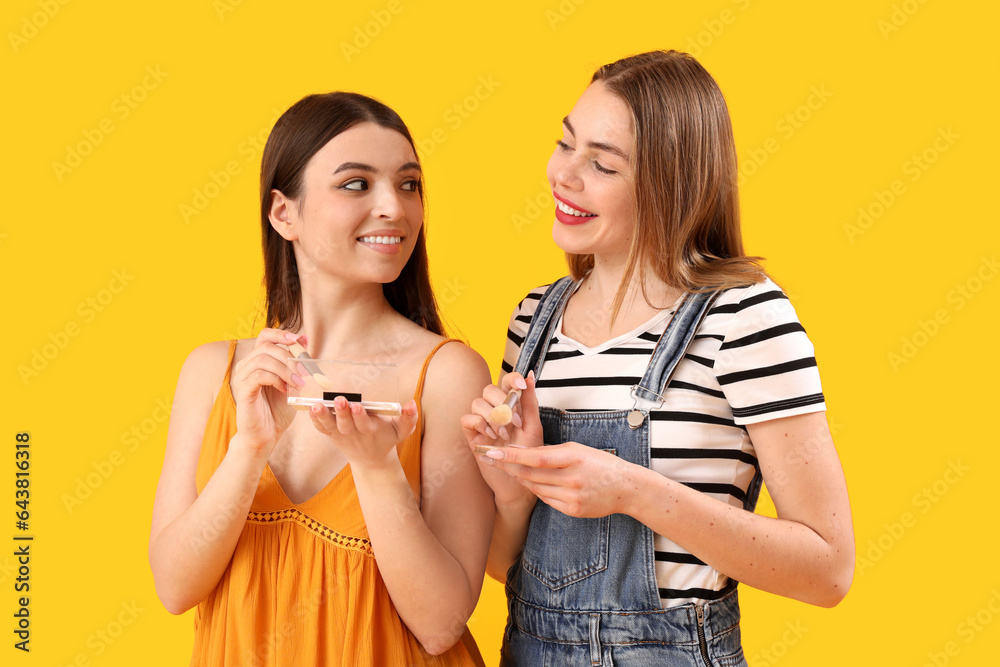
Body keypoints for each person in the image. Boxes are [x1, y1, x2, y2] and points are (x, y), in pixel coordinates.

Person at [463, 51, 854, 666]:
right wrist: (509, 487)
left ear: (670, 183)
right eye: (565, 144)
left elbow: (827, 571)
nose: (564, 175)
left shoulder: (744, 318)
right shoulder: (532, 321)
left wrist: (633, 492)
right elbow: (504, 569)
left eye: (602, 164)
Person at [149, 92, 493, 666]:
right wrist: (249, 448)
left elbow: (440, 625)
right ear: (284, 213)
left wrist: (377, 467)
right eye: (356, 184)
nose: (394, 207)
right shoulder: (214, 372)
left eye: (409, 185)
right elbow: (175, 588)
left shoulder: (446, 375)